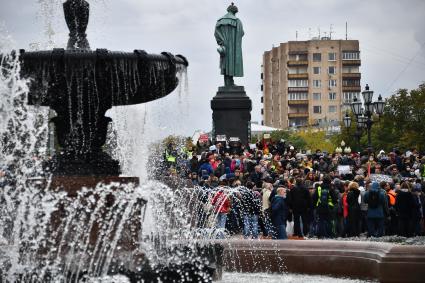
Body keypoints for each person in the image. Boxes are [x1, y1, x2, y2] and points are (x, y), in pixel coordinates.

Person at [214, 3, 244, 87]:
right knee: (231, 62)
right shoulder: (237, 21)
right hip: (234, 46)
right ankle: (229, 83)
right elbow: (241, 33)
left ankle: (228, 82)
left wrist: (221, 42)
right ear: (235, 12)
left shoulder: (219, 21)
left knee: (225, 63)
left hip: (224, 46)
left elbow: (216, 33)